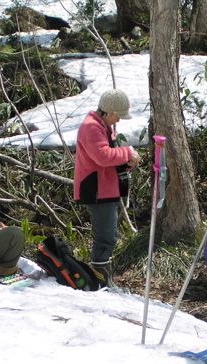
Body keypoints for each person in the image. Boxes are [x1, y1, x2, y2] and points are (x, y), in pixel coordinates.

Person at [74, 88, 140, 287]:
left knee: (108, 236)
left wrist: (124, 163)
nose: (118, 121)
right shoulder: (91, 127)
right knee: (105, 238)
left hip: (105, 188)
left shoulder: (102, 125)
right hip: (96, 190)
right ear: (109, 112)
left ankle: (102, 279)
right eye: (118, 116)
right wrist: (128, 152)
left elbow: (107, 156)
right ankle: (100, 282)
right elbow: (102, 156)